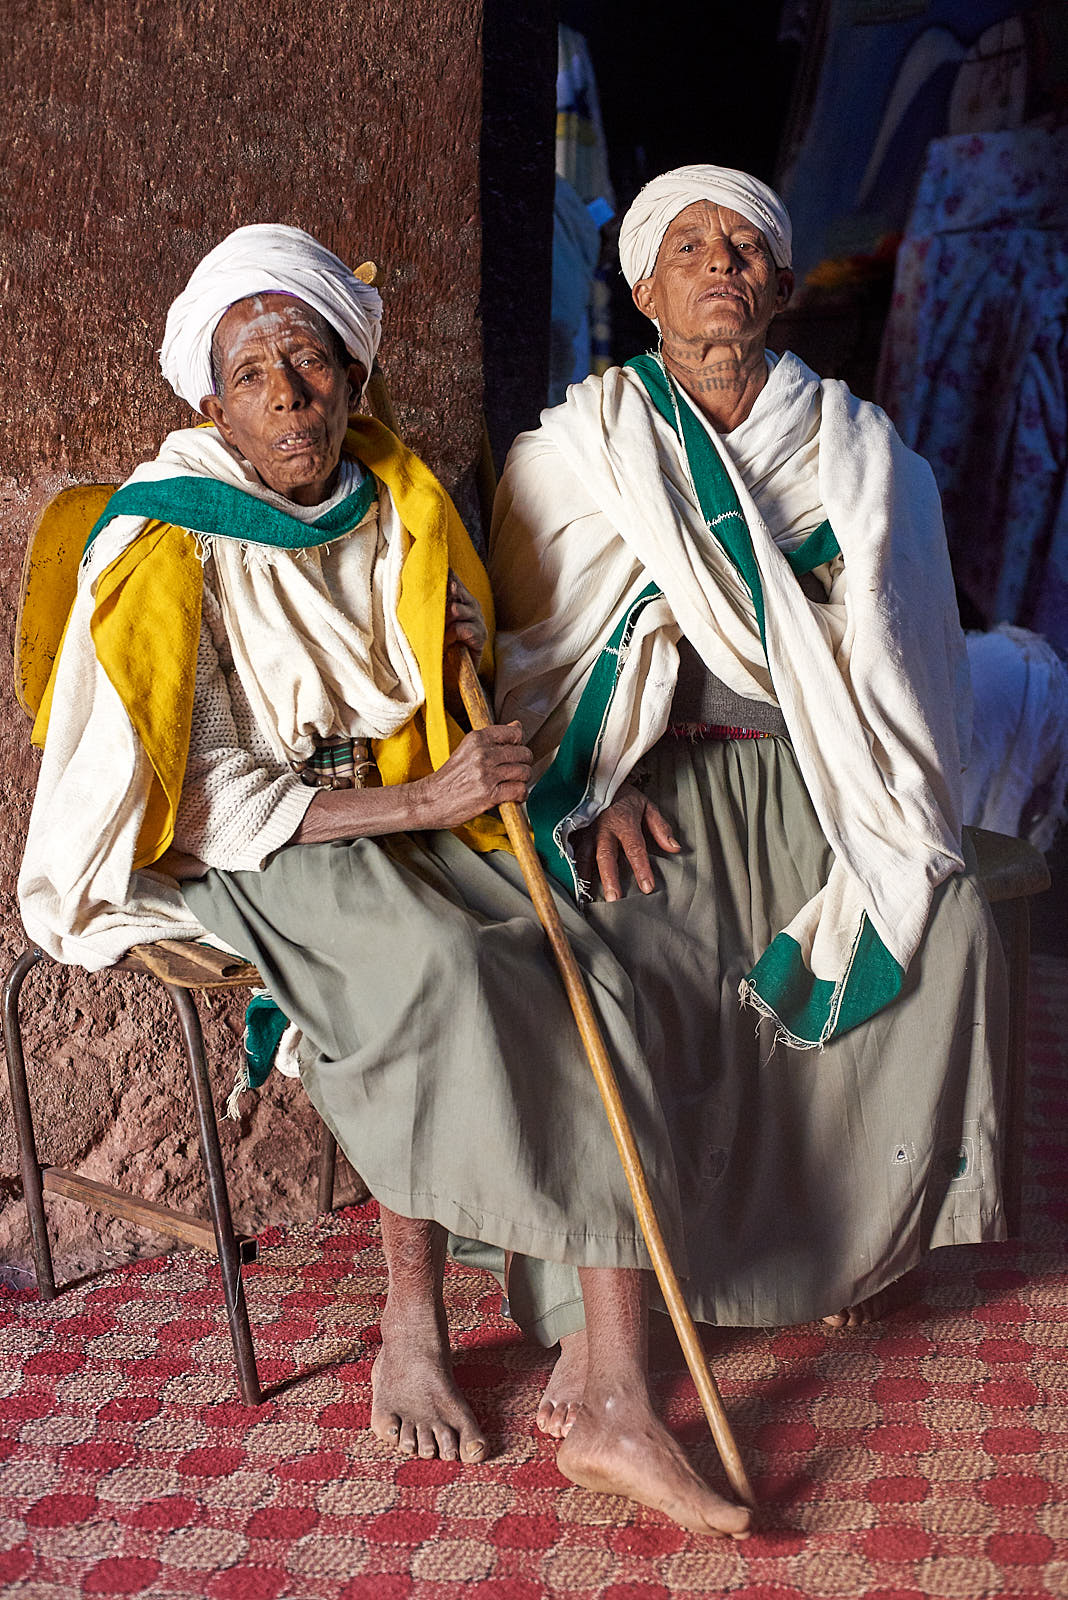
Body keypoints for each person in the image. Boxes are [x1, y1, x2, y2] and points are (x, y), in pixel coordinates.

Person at [19, 225, 753, 1538]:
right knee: (443, 973)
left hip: (417, 814)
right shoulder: (170, 538)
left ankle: (609, 1380)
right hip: (266, 842)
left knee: (592, 954)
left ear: (354, 379)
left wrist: (468, 667)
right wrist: (423, 799)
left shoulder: (396, 495)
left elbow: (464, 687)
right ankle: (409, 1330)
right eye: (254, 370)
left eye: (310, 358)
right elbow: (187, 794)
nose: (290, 392)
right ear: (213, 404)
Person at [486, 164, 1007, 1436]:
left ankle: (831, 1254)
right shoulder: (579, 452)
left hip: (830, 783)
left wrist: (866, 782)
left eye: (744, 246)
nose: (720, 262)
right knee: (607, 954)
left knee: (949, 927)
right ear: (646, 290)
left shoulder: (868, 457)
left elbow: (906, 661)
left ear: (777, 283)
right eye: (689, 246)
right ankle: (596, 1317)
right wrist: (595, 783)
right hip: (652, 787)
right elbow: (541, 665)